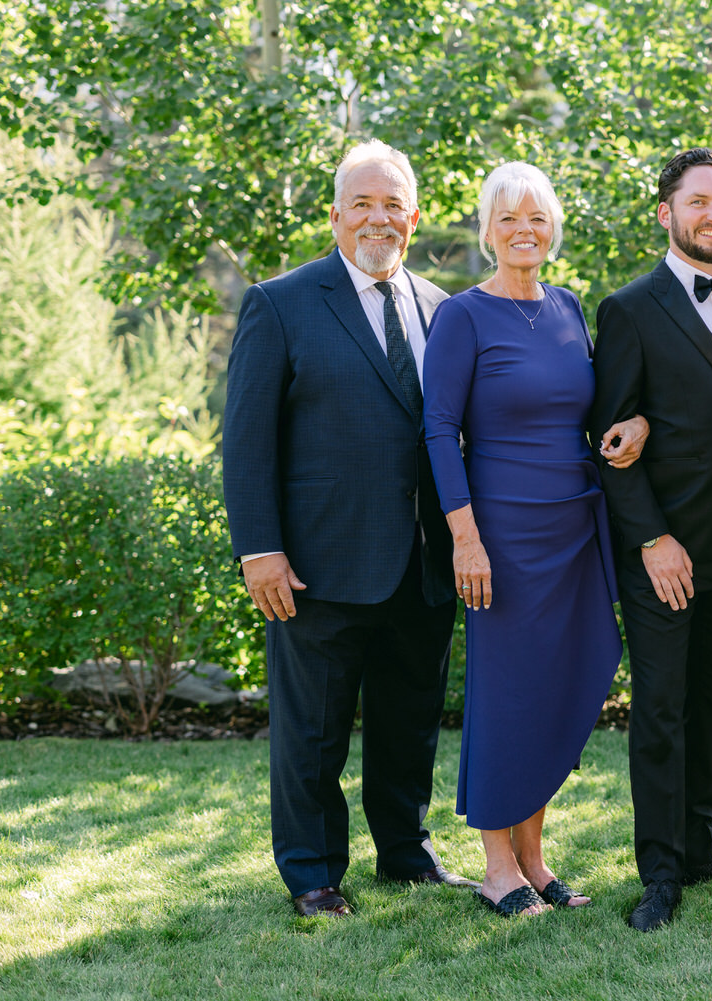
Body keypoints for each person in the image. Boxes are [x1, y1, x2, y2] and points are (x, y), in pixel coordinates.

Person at [222, 139, 472, 917]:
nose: (378, 217)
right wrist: (259, 548)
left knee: (410, 726)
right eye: (362, 203)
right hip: (318, 564)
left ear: (414, 217)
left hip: (423, 562)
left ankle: (406, 852)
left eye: (393, 203)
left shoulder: (444, 308)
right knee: (314, 734)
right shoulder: (281, 303)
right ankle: (313, 873)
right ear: (335, 215)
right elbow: (246, 437)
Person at [422, 162, 650, 918]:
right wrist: (465, 538)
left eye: (539, 217)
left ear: (553, 229)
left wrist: (635, 426)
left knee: (557, 690)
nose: (525, 230)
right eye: (509, 218)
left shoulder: (568, 306)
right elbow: (438, 429)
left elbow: (591, 412)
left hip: (574, 530)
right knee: (506, 694)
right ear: (487, 229)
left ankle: (534, 856)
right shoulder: (463, 316)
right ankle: (496, 867)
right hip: (503, 537)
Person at [589, 147, 712, 932]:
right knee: (663, 709)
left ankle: (699, 844)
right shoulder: (630, 308)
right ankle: (660, 872)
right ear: (666, 213)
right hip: (668, 549)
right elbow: (609, 437)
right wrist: (652, 540)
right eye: (699, 202)